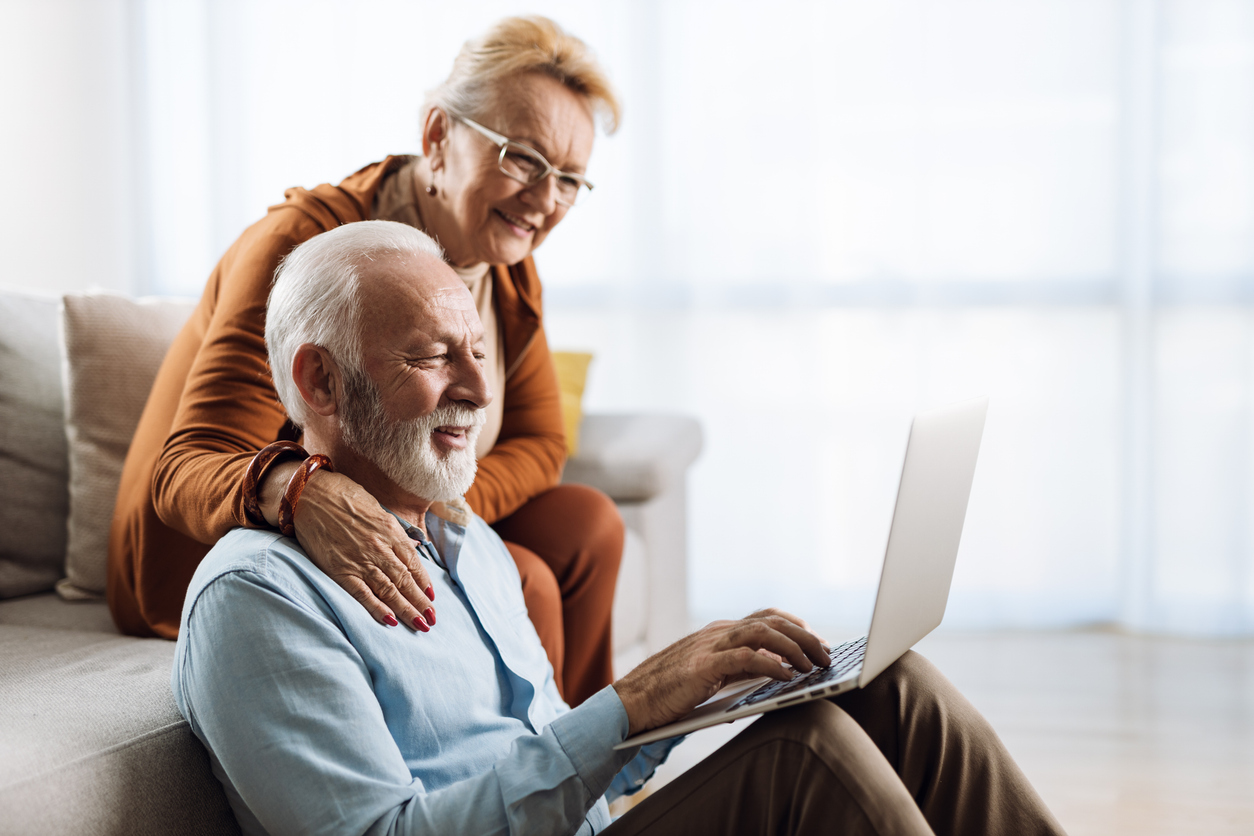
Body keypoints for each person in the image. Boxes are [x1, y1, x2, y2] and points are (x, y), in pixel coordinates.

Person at [172, 221, 1067, 836]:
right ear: (320, 383)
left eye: (475, 352)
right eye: (432, 356)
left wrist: (694, 699)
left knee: (888, 689)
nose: (480, 394)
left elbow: (557, 776)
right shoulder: (257, 598)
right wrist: (626, 705)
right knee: (806, 758)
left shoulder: (465, 545)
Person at [108, 16, 621, 704]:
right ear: (439, 136)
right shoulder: (305, 252)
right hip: (217, 546)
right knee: (521, 575)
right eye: (523, 158)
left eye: (569, 178)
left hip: (406, 506)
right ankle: (529, 787)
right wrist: (301, 490)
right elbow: (187, 470)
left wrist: (432, 509)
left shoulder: (509, 267)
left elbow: (541, 438)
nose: (545, 199)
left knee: (588, 526)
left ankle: (600, 782)